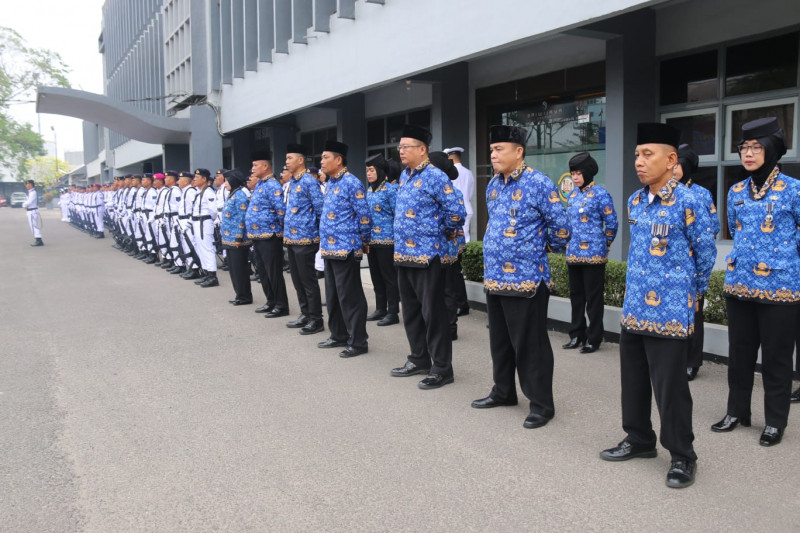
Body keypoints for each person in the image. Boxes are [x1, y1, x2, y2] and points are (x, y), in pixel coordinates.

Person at [600, 123, 716, 490]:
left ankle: (682, 456)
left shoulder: (691, 200)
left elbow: (706, 256)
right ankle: (639, 439)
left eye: (647, 154)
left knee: (671, 388)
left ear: (671, 160)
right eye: (637, 154)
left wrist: (688, 298)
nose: (639, 161)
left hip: (670, 311)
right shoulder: (637, 201)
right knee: (632, 381)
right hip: (635, 307)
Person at [470, 125, 571, 429]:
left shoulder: (539, 184)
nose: (493, 155)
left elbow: (561, 228)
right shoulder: (493, 186)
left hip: (527, 280)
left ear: (519, 152)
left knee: (530, 345)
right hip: (496, 277)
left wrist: (538, 250)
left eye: (499, 149)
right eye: (491, 150)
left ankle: (541, 404)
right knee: (500, 341)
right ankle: (503, 391)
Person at [712, 117, 800, 447]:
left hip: (781, 287)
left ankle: (775, 421)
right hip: (740, 284)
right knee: (741, 353)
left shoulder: (794, 190)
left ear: (772, 149)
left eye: (755, 147)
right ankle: (737, 411)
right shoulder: (736, 191)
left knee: (777, 358)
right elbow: (734, 231)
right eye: (744, 148)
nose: (748, 154)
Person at [389, 124, 466, 389]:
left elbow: (456, 213)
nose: (401, 151)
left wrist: (437, 236)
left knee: (433, 314)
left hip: (427, 256)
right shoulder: (404, 176)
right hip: (404, 255)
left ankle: (442, 368)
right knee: (410, 312)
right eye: (399, 147)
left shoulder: (435, 176)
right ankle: (418, 358)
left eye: (405, 147)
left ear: (422, 150)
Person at [317, 140, 372, 357]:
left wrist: (364, 241)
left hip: (346, 248)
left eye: (325, 157)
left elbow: (364, 215)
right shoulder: (330, 183)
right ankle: (338, 334)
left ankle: (358, 341)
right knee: (332, 296)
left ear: (338, 160)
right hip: (329, 248)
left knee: (350, 297)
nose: (321, 162)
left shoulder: (352, 183)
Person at [562, 152, 618, 354]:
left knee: (593, 299)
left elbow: (612, 223)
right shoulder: (572, 195)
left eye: (578, 173)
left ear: (587, 173)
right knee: (576, 297)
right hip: (573, 253)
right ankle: (576, 334)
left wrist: (606, 243)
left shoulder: (601, 194)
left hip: (594, 255)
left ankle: (594, 338)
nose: (575, 177)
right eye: (572, 174)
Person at [674, 144, 721, 380]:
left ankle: (692, 361)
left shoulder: (701, 194)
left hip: (693, 264)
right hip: (670, 265)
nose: (673, 168)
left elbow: (714, 226)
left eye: (678, 164)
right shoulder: (666, 191)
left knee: (695, 313)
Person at [283, 143, 325, 335]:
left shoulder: (309, 181)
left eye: (290, 158)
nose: (287, 162)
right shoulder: (292, 182)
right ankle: (305, 313)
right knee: (297, 279)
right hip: (292, 238)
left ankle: (316, 319)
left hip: (306, 239)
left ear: (300, 160)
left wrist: (316, 235)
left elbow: (320, 209)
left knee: (308, 281)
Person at [246, 151, 290, 318]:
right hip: (257, 235)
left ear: (265, 166)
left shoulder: (272, 185)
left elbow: (280, 210)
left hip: (269, 235)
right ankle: (270, 301)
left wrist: (279, 231)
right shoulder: (261, 184)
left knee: (273, 272)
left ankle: (281, 305)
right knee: (262, 271)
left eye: (255, 165)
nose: (253, 168)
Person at [429, 151, 467, 341]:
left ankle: (451, 328)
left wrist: (444, 229)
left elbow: (456, 218)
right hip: (433, 249)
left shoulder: (453, 192)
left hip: (448, 247)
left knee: (448, 289)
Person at [364, 153, 400, 326]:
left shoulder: (390, 190)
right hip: (372, 241)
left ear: (379, 171)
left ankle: (393, 312)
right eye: (367, 171)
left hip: (387, 241)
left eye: (371, 170)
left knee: (389, 277)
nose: (369, 174)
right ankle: (380, 308)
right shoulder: (369, 190)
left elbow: (397, 215)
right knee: (375, 276)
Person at [444, 147, 473, 316]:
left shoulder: (451, 177)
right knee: (457, 264)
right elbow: (469, 193)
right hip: (466, 209)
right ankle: (461, 302)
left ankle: (460, 303)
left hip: (457, 217)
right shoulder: (468, 172)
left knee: (454, 265)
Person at [220, 169, 253, 304]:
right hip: (229, 237)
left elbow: (242, 217)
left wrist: (239, 236)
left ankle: (244, 296)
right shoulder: (232, 194)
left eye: (227, 181)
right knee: (233, 269)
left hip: (237, 239)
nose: (225, 184)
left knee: (240, 270)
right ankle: (239, 294)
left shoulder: (239, 195)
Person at [191, 168, 220, 287]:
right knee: (201, 249)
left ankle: (212, 276)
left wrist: (208, 221)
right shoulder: (199, 192)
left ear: (204, 179)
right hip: (198, 222)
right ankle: (206, 273)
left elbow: (213, 211)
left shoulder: (208, 192)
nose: (194, 179)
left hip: (204, 222)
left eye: (197, 177)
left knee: (207, 249)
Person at [23, 180, 43, 246]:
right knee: (33, 226)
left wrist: (24, 205)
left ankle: (38, 240)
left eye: (27, 184)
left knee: (34, 226)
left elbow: (29, 202)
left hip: (32, 211)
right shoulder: (30, 192)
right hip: (31, 211)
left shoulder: (33, 192)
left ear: (31, 184)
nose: (26, 185)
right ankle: (38, 239)